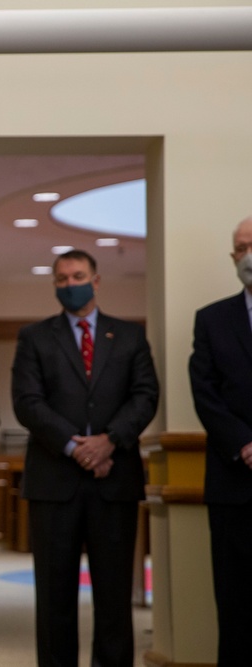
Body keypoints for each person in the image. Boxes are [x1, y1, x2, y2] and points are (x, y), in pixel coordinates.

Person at [11, 249, 158, 667]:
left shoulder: (129, 337)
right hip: (54, 485)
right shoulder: (34, 337)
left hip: (115, 484)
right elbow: (27, 402)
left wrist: (109, 441)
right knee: (55, 600)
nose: (69, 285)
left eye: (77, 276)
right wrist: (78, 447)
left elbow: (145, 395)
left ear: (95, 280)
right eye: (61, 279)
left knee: (114, 599)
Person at [188, 216, 252, 667]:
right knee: (236, 605)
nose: (248, 254)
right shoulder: (212, 319)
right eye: (241, 247)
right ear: (233, 257)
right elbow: (205, 392)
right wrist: (246, 444)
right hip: (234, 484)